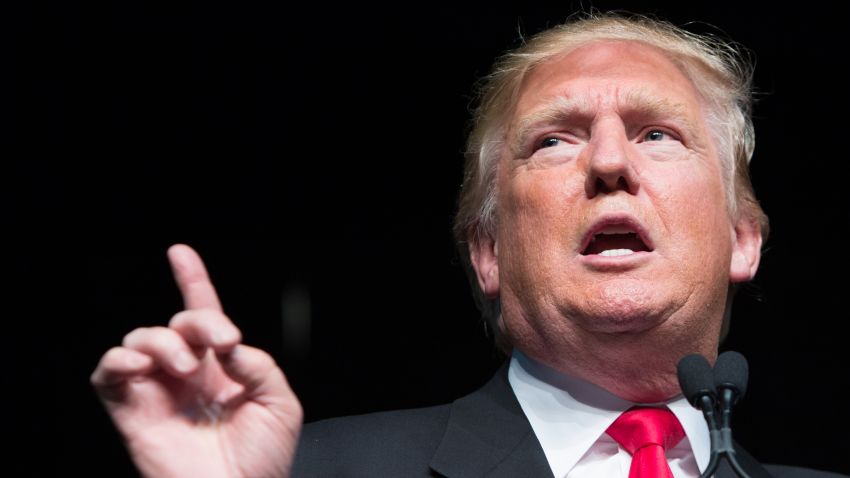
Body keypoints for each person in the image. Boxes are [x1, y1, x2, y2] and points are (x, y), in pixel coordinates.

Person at [91, 13, 845, 478]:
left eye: (658, 133)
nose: (611, 162)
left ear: (743, 240)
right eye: (554, 140)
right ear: (487, 251)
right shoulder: (302, 470)